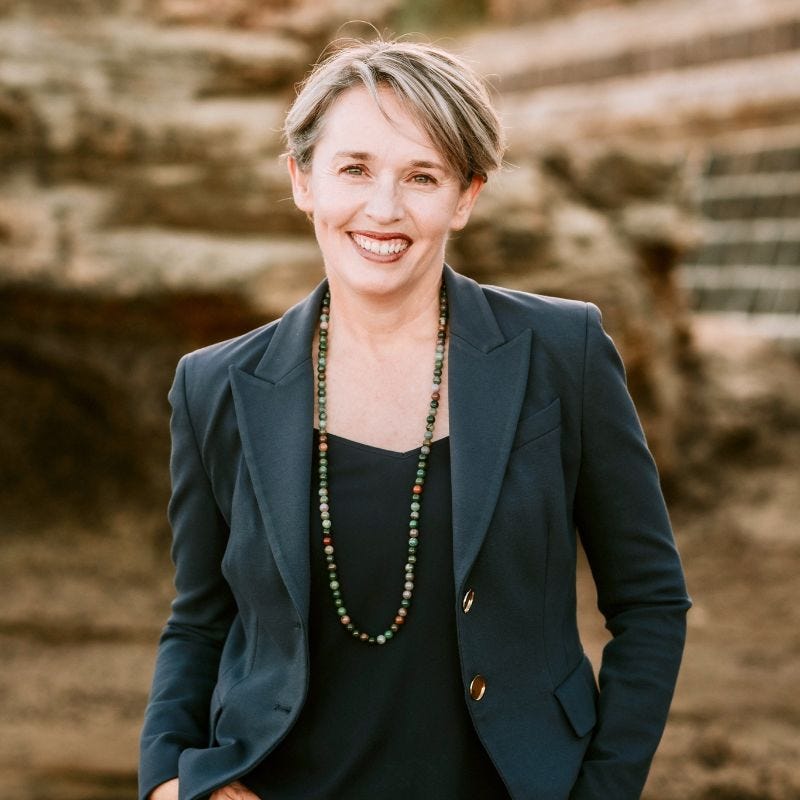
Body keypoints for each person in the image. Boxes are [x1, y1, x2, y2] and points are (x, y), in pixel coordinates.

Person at [139, 38, 690, 800]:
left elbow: (651, 603)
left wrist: (601, 791)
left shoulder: (565, 352)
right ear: (301, 180)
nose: (384, 208)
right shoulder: (214, 386)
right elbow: (200, 620)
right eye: (355, 168)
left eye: (421, 176)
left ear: (466, 195)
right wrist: (168, 780)